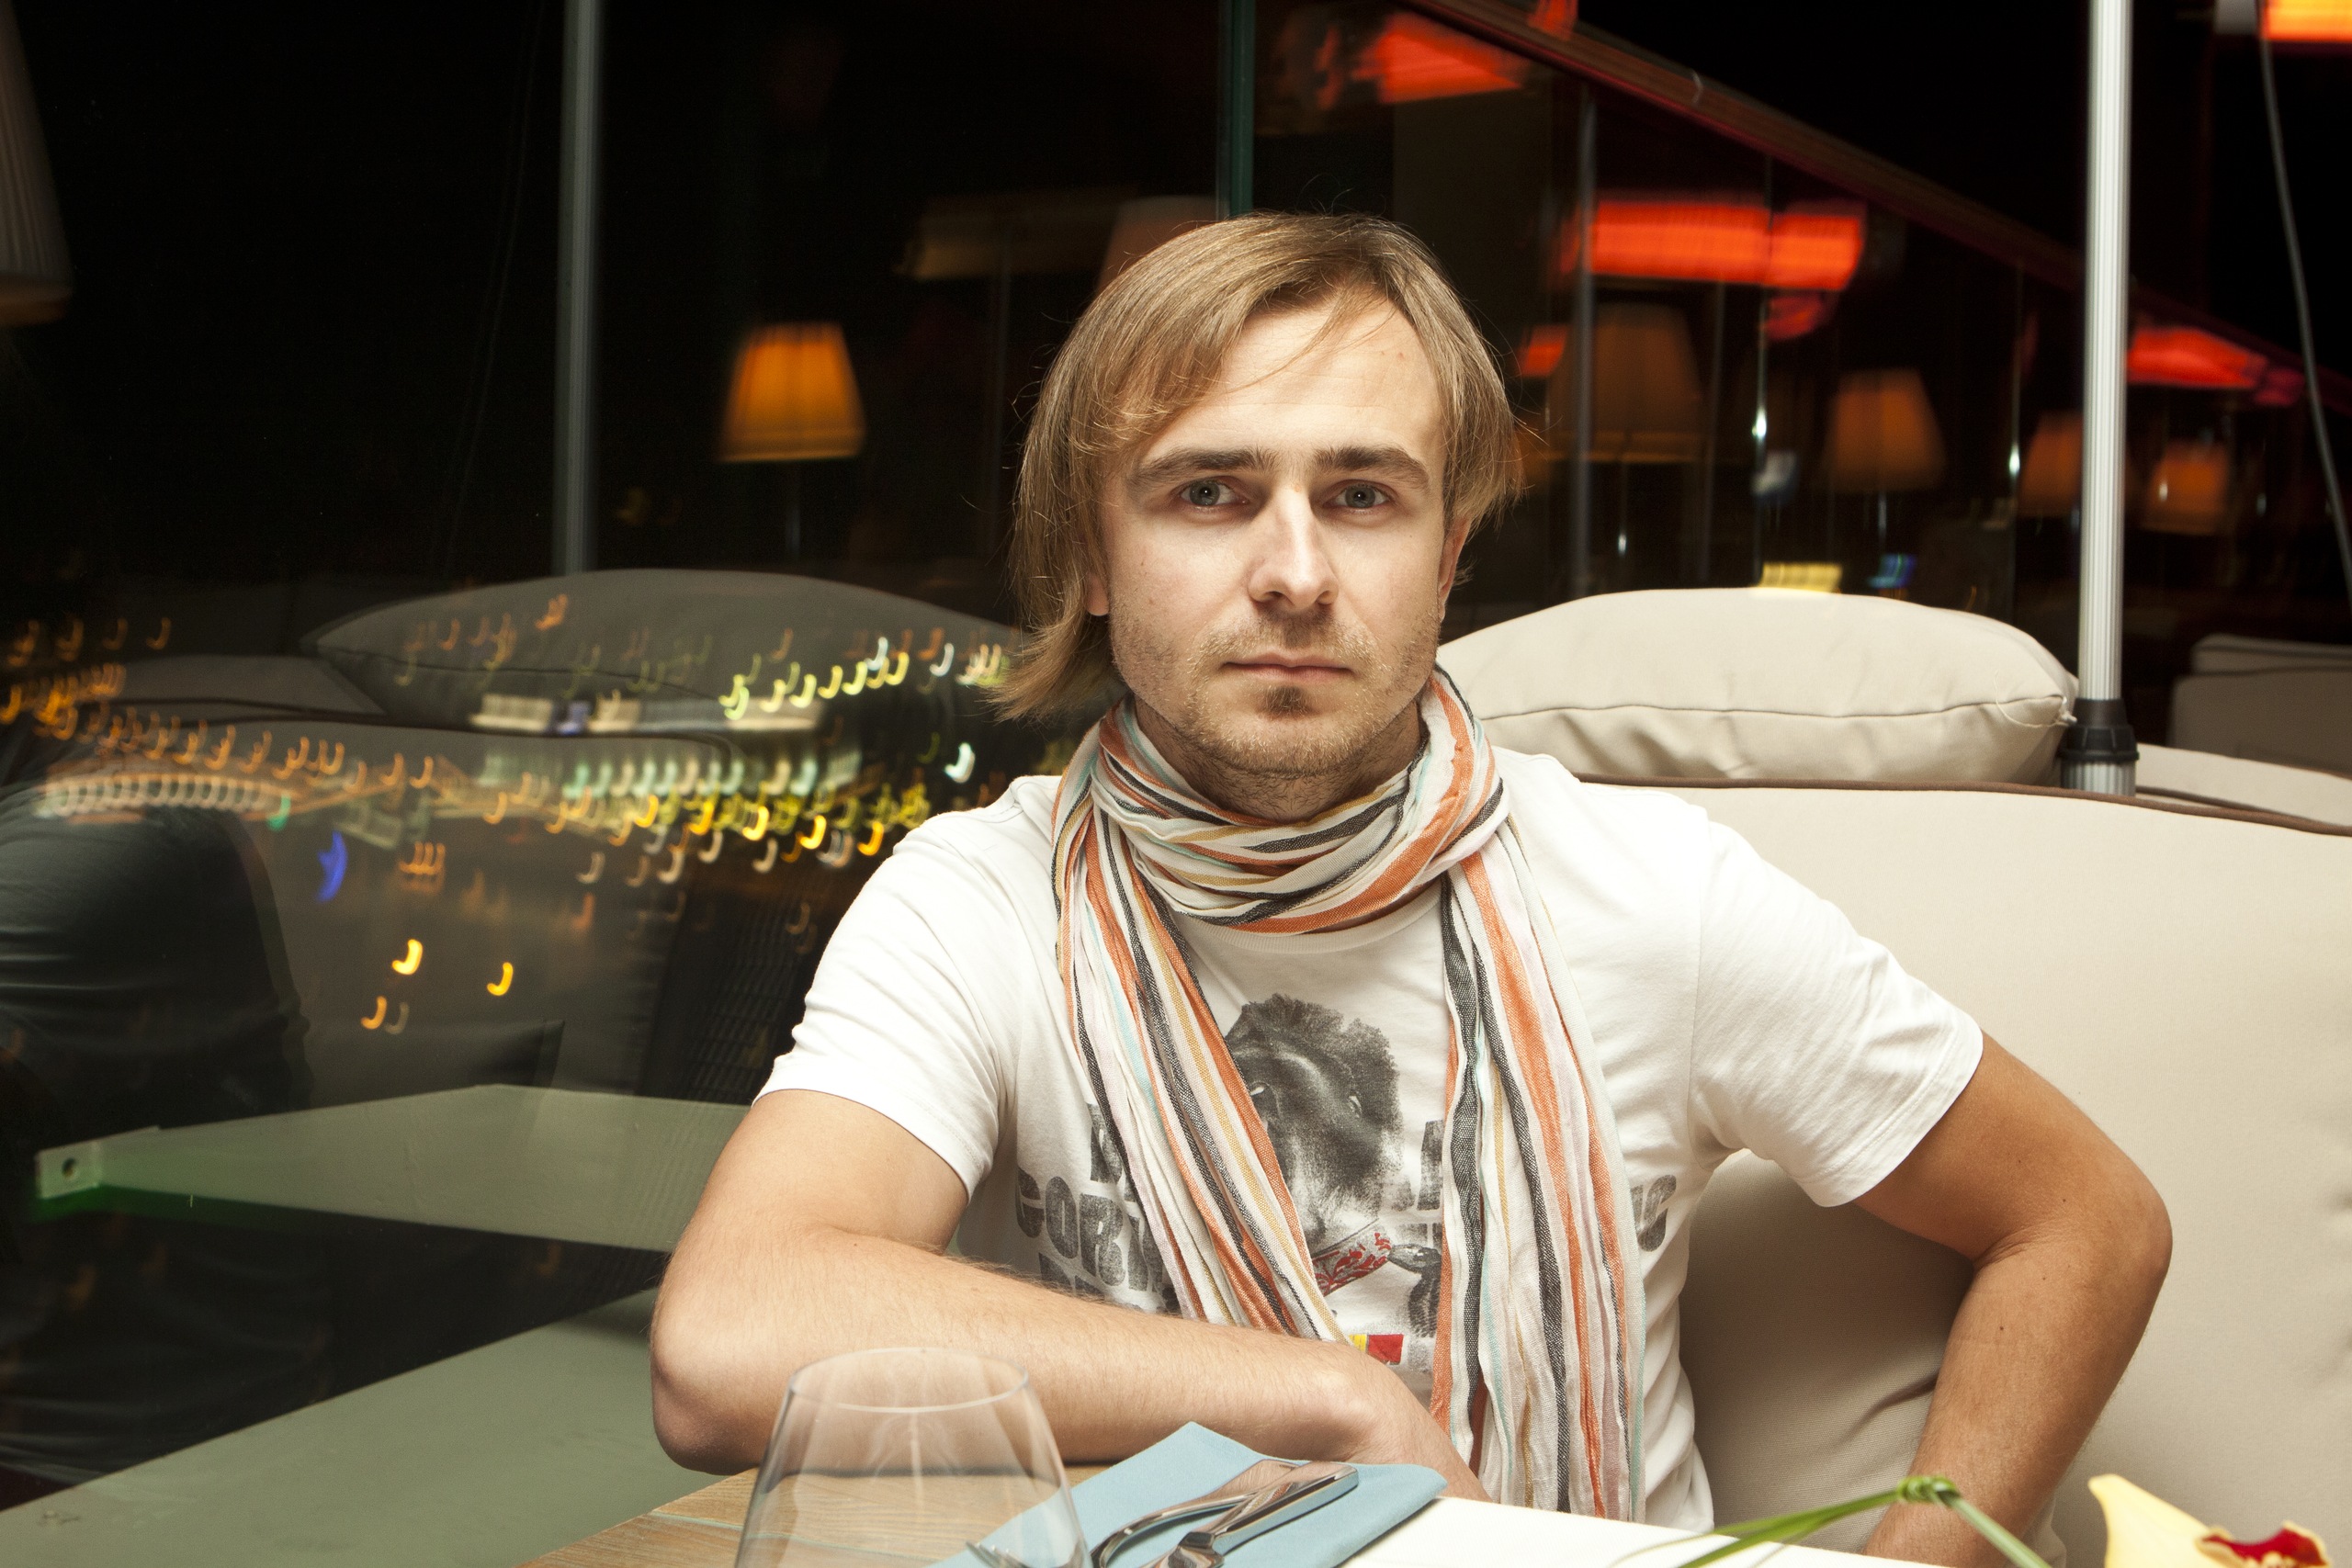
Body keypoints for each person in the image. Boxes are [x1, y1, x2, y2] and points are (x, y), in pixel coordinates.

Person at [650, 213, 2169, 1562]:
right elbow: (727, 1339)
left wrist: (1917, 1565)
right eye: (1209, 492)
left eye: (1364, 495)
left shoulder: (1654, 896)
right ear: (1091, 560)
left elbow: (2086, 1220)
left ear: (1450, 554)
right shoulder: (979, 899)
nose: (1296, 573)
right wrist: (1323, 1400)